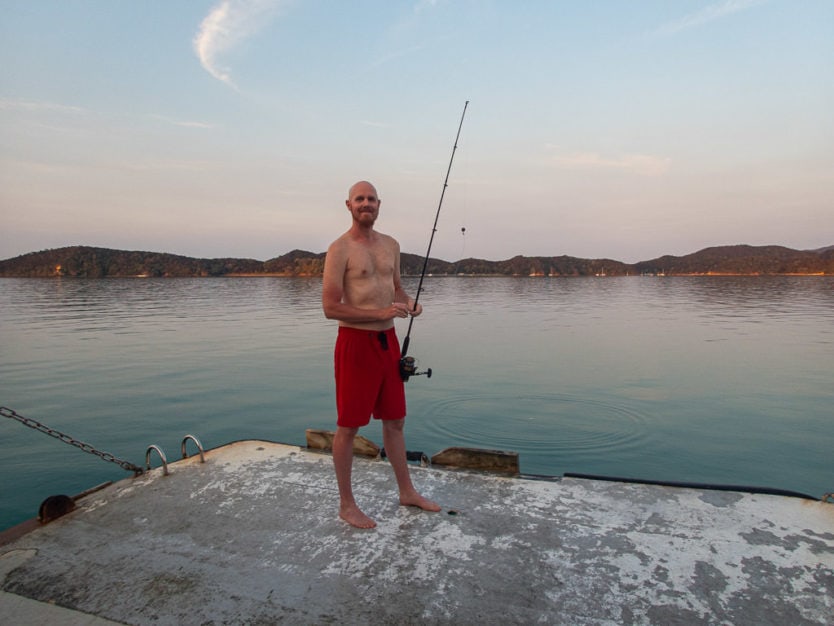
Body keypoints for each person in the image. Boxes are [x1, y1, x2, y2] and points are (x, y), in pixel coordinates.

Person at [322, 180, 441, 528]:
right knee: (348, 426)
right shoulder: (339, 248)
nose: (366, 204)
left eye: (371, 199)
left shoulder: (391, 245)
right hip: (355, 344)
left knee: (396, 420)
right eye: (360, 199)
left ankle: (407, 491)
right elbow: (330, 307)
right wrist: (379, 313)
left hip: (388, 344)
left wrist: (410, 304)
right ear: (348, 205)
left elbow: (397, 289)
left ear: (379, 204)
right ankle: (347, 505)